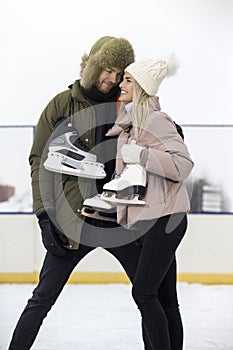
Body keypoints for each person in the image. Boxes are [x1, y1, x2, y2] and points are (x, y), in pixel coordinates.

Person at [7, 35, 183, 350]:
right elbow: (39, 162)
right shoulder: (62, 104)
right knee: (41, 299)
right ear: (94, 66)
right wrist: (44, 216)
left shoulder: (127, 104)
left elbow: (153, 134)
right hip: (74, 222)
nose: (113, 80)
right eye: (109, 71)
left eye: (120, 75)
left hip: (122, 221)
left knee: (148, 297)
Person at [103, 57, 194, 349]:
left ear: (142, 86)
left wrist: (141, 155)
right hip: (144, 219)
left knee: (144, 294)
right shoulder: (130, 125)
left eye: (128, 80)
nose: (121, 84)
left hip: (165, 219)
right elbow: (129, 177)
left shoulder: (156, 121)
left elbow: (182, 165)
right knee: (165, 300)